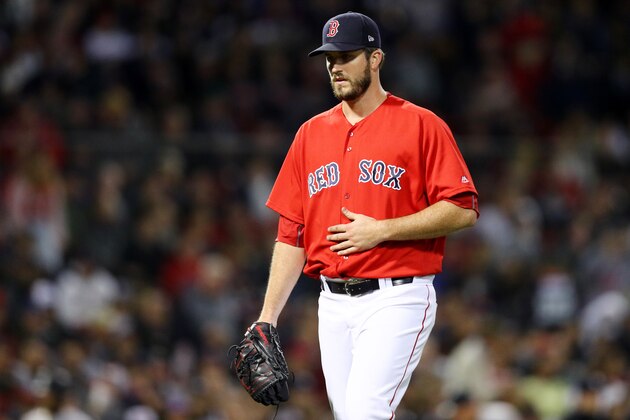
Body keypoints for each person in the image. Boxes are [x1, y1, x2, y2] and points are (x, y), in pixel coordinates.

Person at [254, 11, 479, 419]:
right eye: (329, 59)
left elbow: (462, 208)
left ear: (376, 59)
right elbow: (292, 233)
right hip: (332, 303)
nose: (335, 68)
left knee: (365, 412)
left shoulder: (420, 125)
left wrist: (382, 231)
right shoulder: (310, 134)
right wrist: (267, 317)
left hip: (397, 296)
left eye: (346, 56)